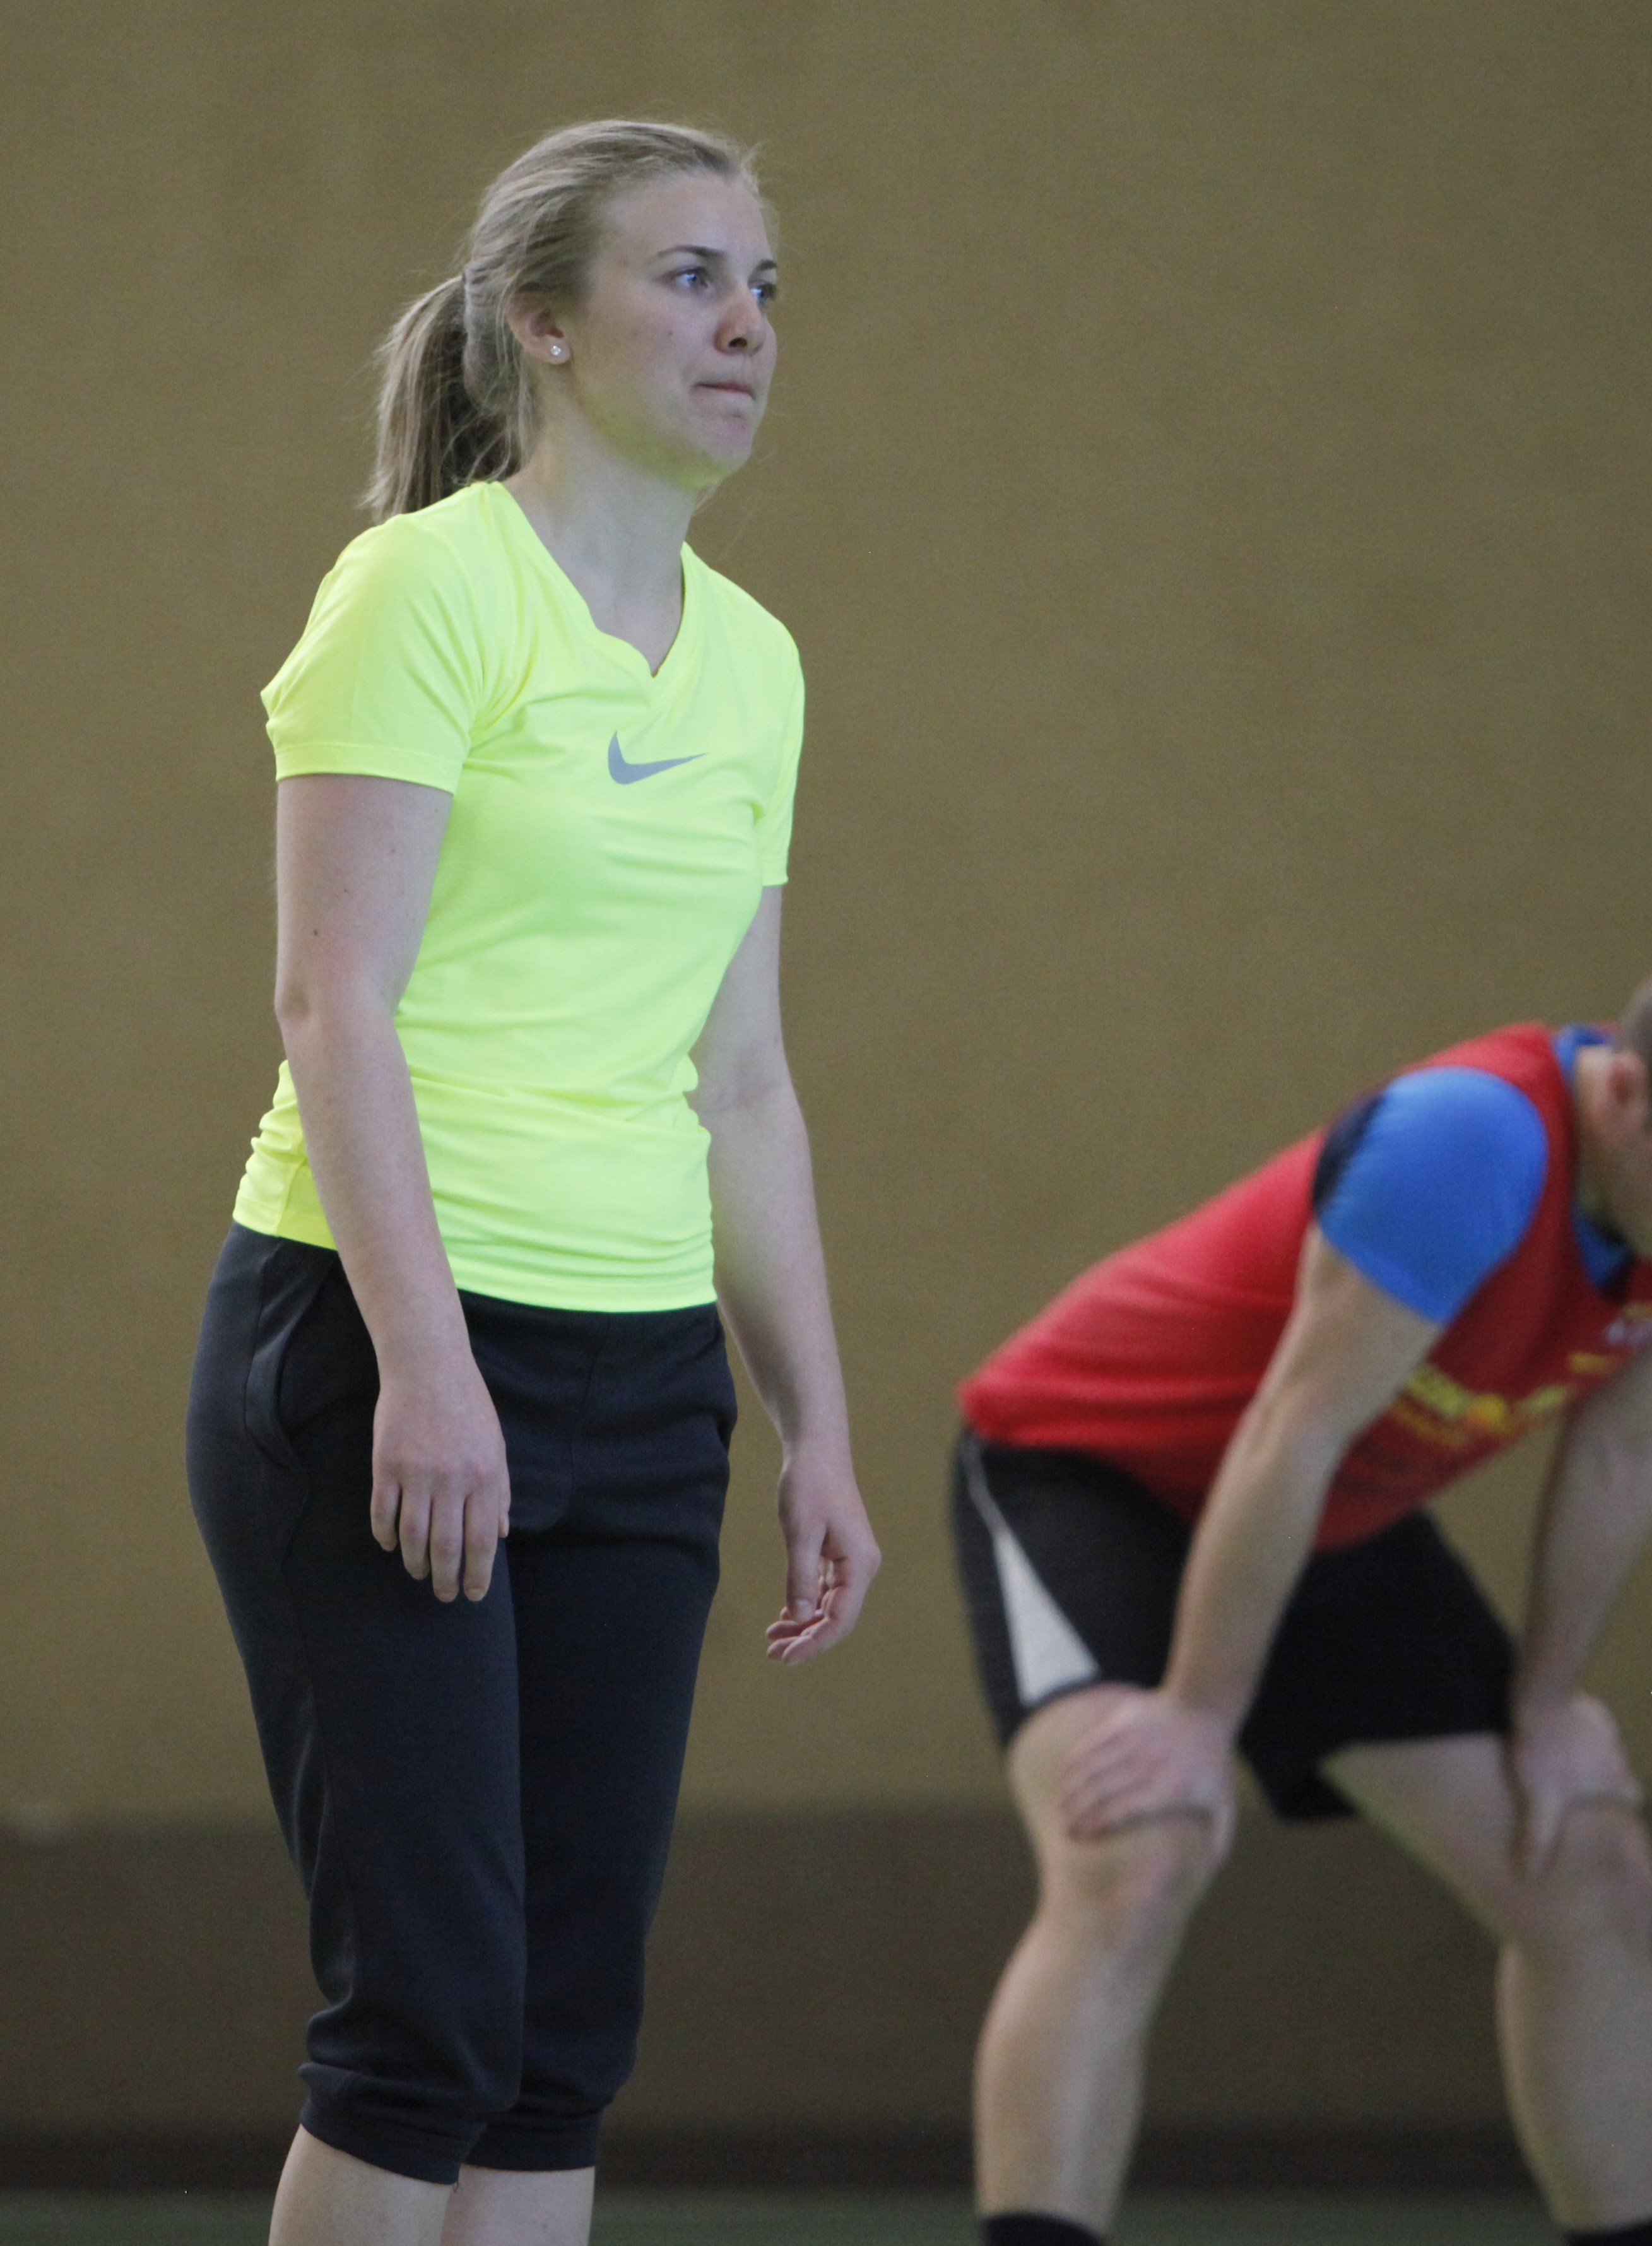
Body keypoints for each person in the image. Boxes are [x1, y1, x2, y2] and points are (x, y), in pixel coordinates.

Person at [186, 120, 880, 2246]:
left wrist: (815, 1425)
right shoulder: (426, 588)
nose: (745, 324)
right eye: (689, 276)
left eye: (764, 284)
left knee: (561, 2037)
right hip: (382, 1343)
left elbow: (742, 1081)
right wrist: (425, 1368)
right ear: (542, 324)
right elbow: (333, 998)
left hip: (641, 1385)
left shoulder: (755, 662)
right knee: (426, 2026)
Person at [952, 957, 1652, 2246]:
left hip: (1323, 1515)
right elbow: (1293, 1427)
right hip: (1097, 1473)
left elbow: (1621, 1450)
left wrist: (1547, 1704)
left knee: (1586, 1868)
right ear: (1623, 1091)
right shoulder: (1471, 1141)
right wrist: (1198, 1714)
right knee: (1137, 1852)